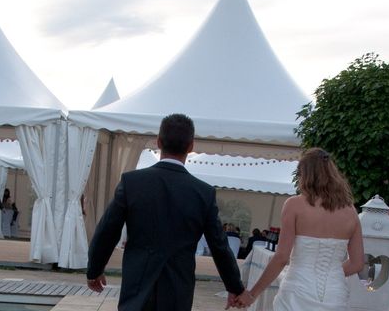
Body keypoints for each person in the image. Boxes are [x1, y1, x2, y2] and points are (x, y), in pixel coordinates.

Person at [87, 113, 248, 311]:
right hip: (177, 291)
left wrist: (94, 269)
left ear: (158, 142)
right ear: (191, 147)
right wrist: (235, 287)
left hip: (137, 288)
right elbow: (219, 246)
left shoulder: (132, 183)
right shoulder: (203, 193)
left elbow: (107, 231)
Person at [233, 148, 365, 310]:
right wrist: (333, 274)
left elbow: (281, 257)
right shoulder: (350, 211)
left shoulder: (294, 205)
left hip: (296, 293)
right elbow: (357, 263)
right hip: (334, 295)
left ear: (304, 174)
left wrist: (252, 294)